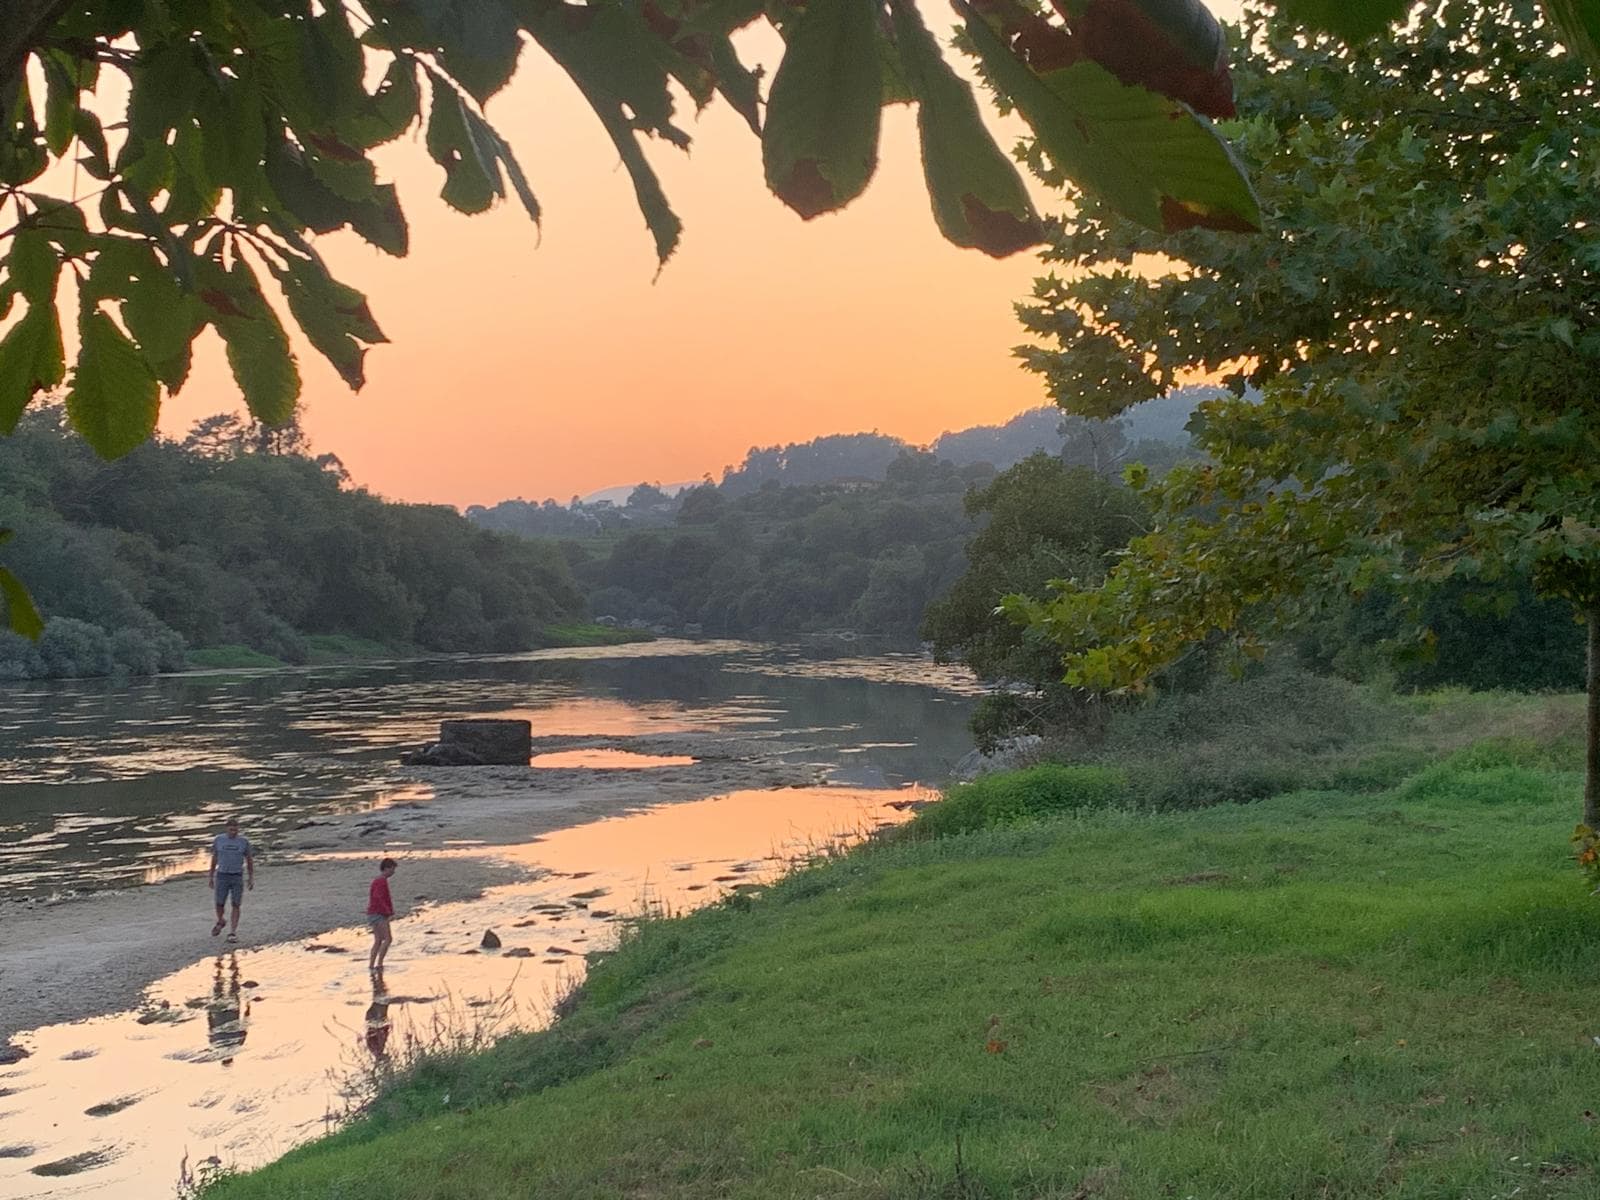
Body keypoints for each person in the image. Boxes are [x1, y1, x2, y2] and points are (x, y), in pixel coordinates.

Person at [208, 818, 254, 942]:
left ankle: (233, 932)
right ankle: (221, 920)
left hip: (237, 876)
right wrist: (211, 876)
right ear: (226, 828)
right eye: (231, 829)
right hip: (222, 875)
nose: (233, 832)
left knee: (236, 904)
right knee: (219, 903)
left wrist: (250, 878)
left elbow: (249, 860)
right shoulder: (219, 840)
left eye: (235, 829)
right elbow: (214, 858)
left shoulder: (243, 842)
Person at [367, 857, 397, 973]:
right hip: (378, 913)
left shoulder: (378, 880)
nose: (393, 872)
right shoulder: (381, 881)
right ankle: (379, 964)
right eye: (392, 869)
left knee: (378, 940)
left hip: (374, 912)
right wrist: (387, 911)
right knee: (388, 939)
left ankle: (371, 965)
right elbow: (378, 898)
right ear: (387, 868)